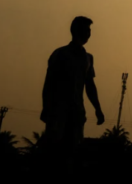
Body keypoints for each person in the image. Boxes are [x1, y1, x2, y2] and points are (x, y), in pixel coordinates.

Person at [40, 16, 105, 168]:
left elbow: (90, 85)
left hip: (77, 113)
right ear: (77, 31)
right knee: (54, 152)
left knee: (72, 152)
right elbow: (49, 84)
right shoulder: (60, 54)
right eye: (87, 30)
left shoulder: (88, 58)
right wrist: (47, 108)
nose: (90, 34)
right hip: (58, 112)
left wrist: (98, 109)